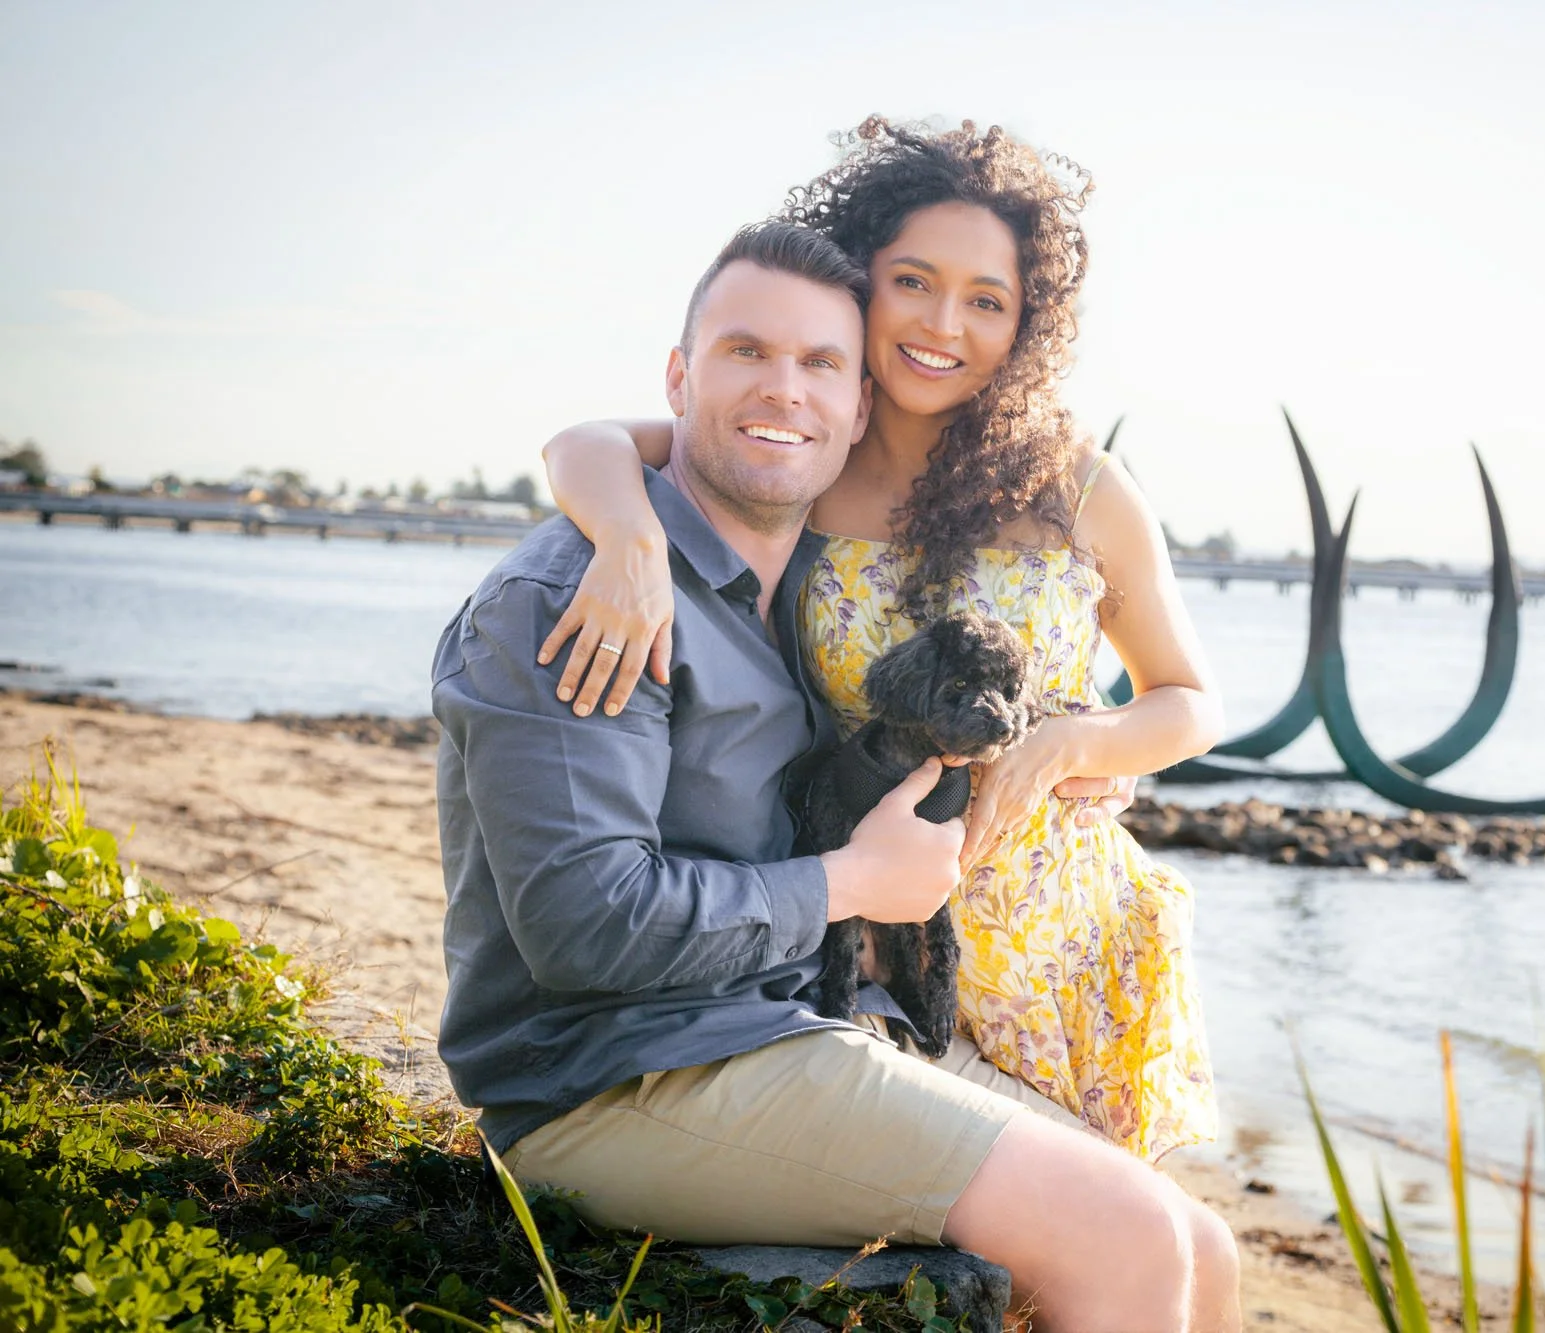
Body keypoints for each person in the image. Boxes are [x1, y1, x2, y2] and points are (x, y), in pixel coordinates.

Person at [433, 220, 1240, 1331]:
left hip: (775, 1021)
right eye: (744, 354)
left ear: (862, 407)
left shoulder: (794, 577)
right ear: (678, 377)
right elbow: (584, 931)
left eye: (821, 364)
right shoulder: (587, 601)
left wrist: (1079, 744)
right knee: (1126, 1233)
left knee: (1202, 1243)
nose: (785, 391)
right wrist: (850, 883)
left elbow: (1156, 691)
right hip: (610, 1081)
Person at [541, 118, 1223, 1160]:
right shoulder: (804, 455)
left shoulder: (1074, 481)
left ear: (1024, 323)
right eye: (912, 280)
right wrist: (628, 536)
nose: (942, 324)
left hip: (1066, 942)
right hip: (867, 943)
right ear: (862, 276)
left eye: (986, 301)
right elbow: (583, 443)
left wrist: (1069, 746)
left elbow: (1186, 701)